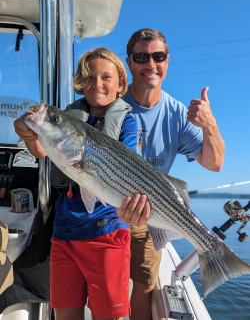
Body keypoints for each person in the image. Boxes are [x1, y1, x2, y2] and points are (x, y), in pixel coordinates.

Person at [13, 48, 138, 320]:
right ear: (80, 83)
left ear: (120, 84)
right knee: (65, 313)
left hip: (107, 233)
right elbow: (41, 151)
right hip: (64, 233)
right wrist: (29, 132)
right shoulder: (72, 119)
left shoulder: (127, 123)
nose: (97, 83)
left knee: (109, 315)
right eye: (89, 77)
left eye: (106, 77)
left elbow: (132, 169)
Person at [116, 29, 225, 320]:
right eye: (141, 57)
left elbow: (214, 164)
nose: (150, 64)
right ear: (130, 62)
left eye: (158, 56)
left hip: (152, 211)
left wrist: (209, 125)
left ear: (167, 61)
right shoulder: (111, 106)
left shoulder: (177, 113)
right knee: (107, 285)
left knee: (145, 285)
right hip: (107, 204)